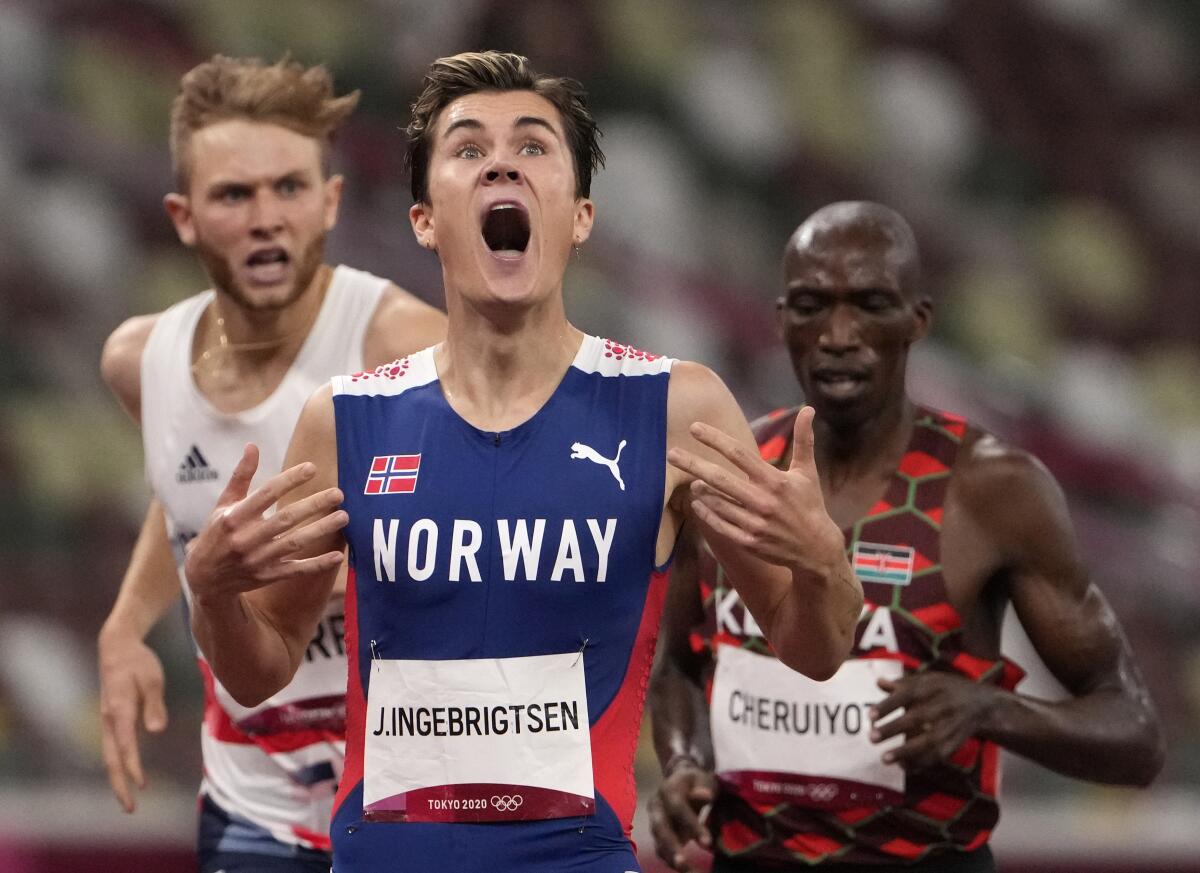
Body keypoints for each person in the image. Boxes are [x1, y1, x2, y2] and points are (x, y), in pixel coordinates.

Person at [178, 51, 864, 873]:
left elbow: (815, 650)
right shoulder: (346, 418)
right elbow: (263, 668)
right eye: (468, 148)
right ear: (425, 217)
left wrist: (826, 562)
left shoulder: (677, 408)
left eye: (533, 145)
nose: (502, 159)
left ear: (579, 214)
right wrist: (213, 594)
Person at [646, 201, 1166, 873]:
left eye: (869, 303)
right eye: (811, 306)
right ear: (781, 321)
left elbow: (1136, 733)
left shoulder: (993, 491)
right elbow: (679, 670)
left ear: (917, 320)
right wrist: (686, 762)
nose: (838, 333)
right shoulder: (728, 472)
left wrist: (991, 708)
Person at [97, 55, 446, 873]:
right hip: (252, 800)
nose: (266, 217)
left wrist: (301, 575)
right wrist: (124, 623)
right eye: (233, 194)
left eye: (289, 188)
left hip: (414, 798)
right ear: (183, 216)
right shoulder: (140, 360)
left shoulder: (408, 348)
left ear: (328, 202)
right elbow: (183, 499)